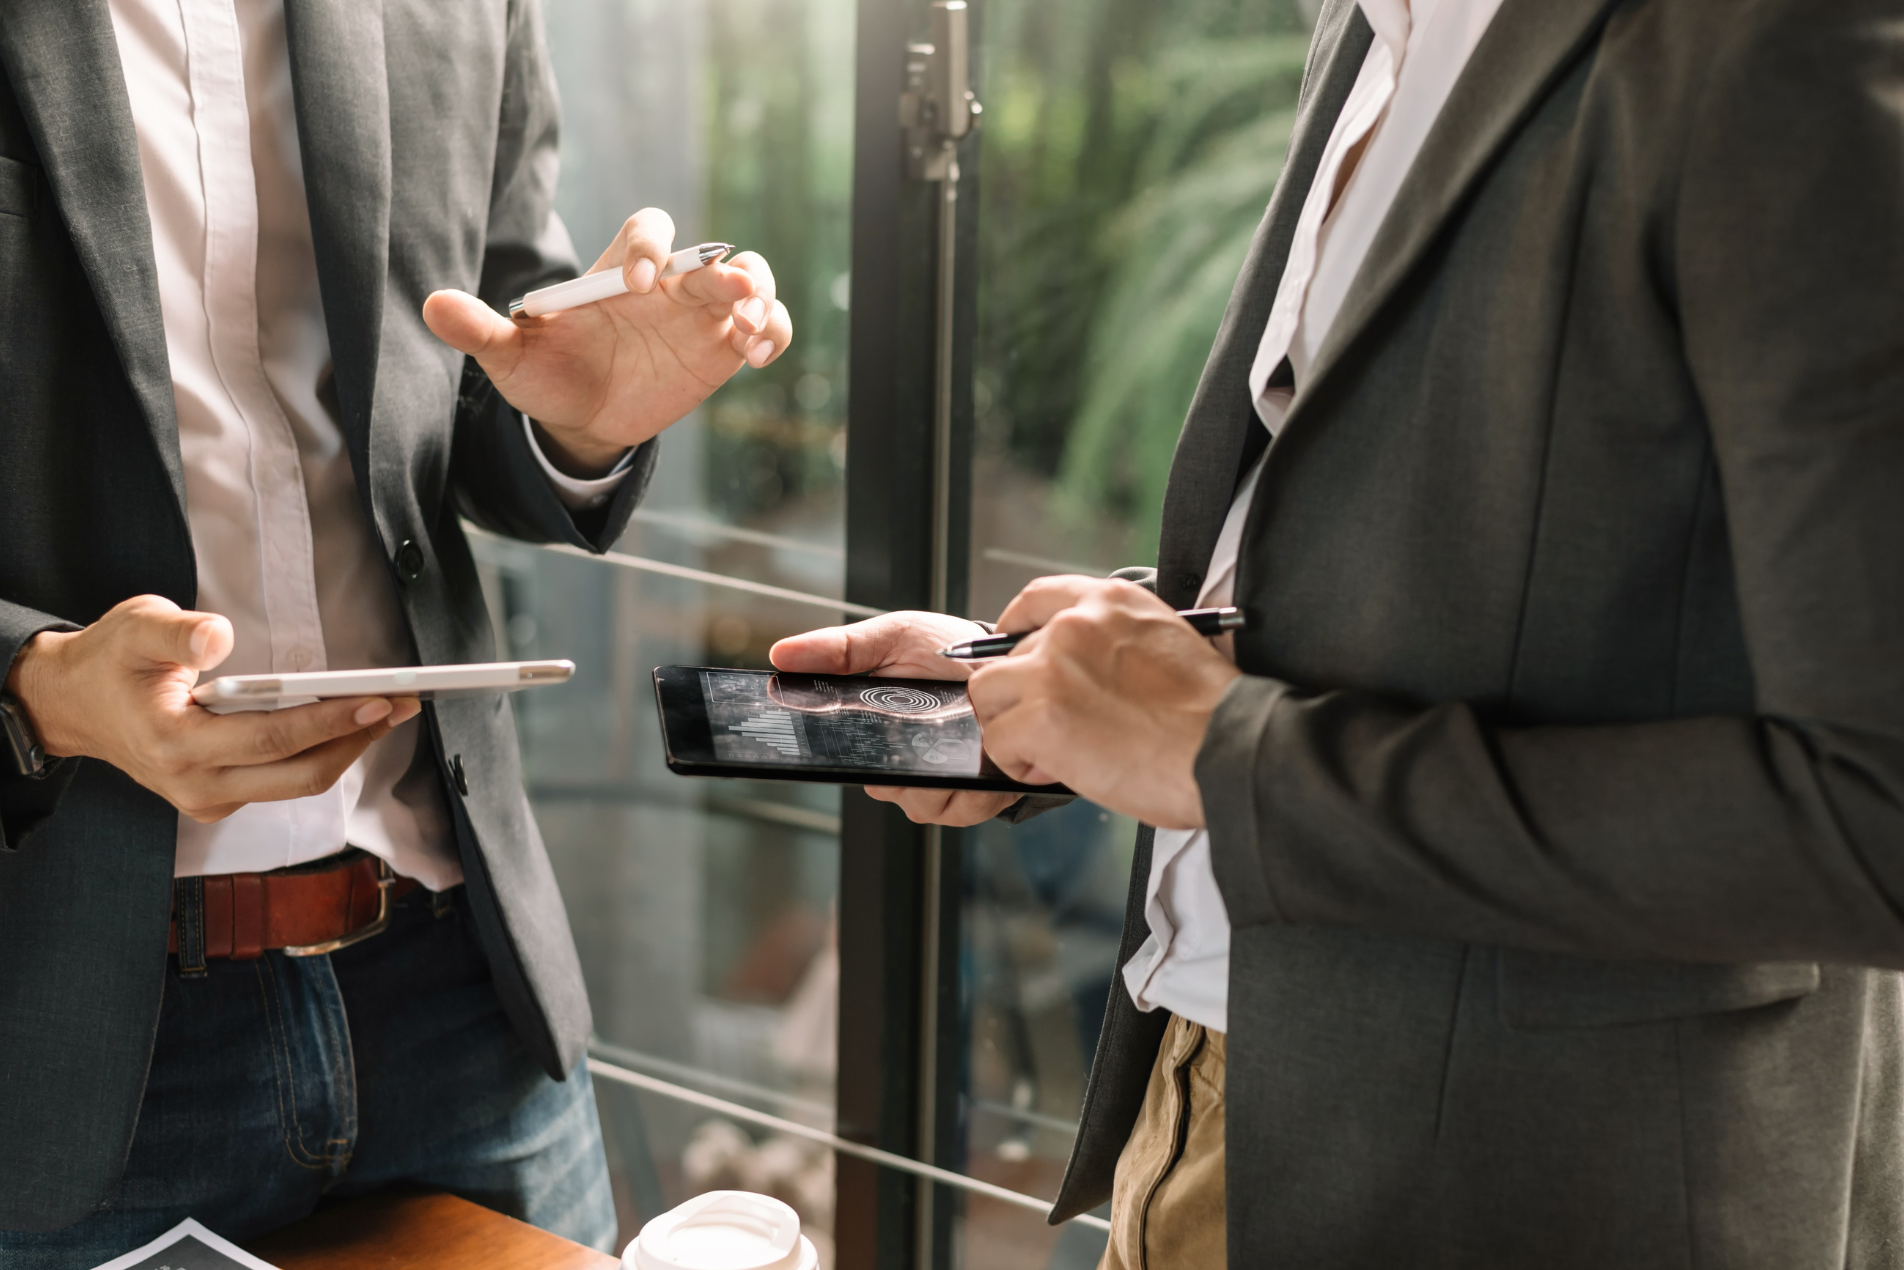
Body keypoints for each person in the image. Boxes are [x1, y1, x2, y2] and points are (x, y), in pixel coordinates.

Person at [773, 0, 1904, 1264]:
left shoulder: (1780, 37)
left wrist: (1229, 755)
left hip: (1542, 1188)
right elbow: (1489, 565)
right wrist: (1059, 691)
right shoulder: (1370, 25)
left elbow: (1875, 814)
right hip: (1204, 1100)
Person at [0, 0, 790, 1261]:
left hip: (459, 989)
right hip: (59, 1030)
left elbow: (479, 383)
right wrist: (36, 691)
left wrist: (580, 426)